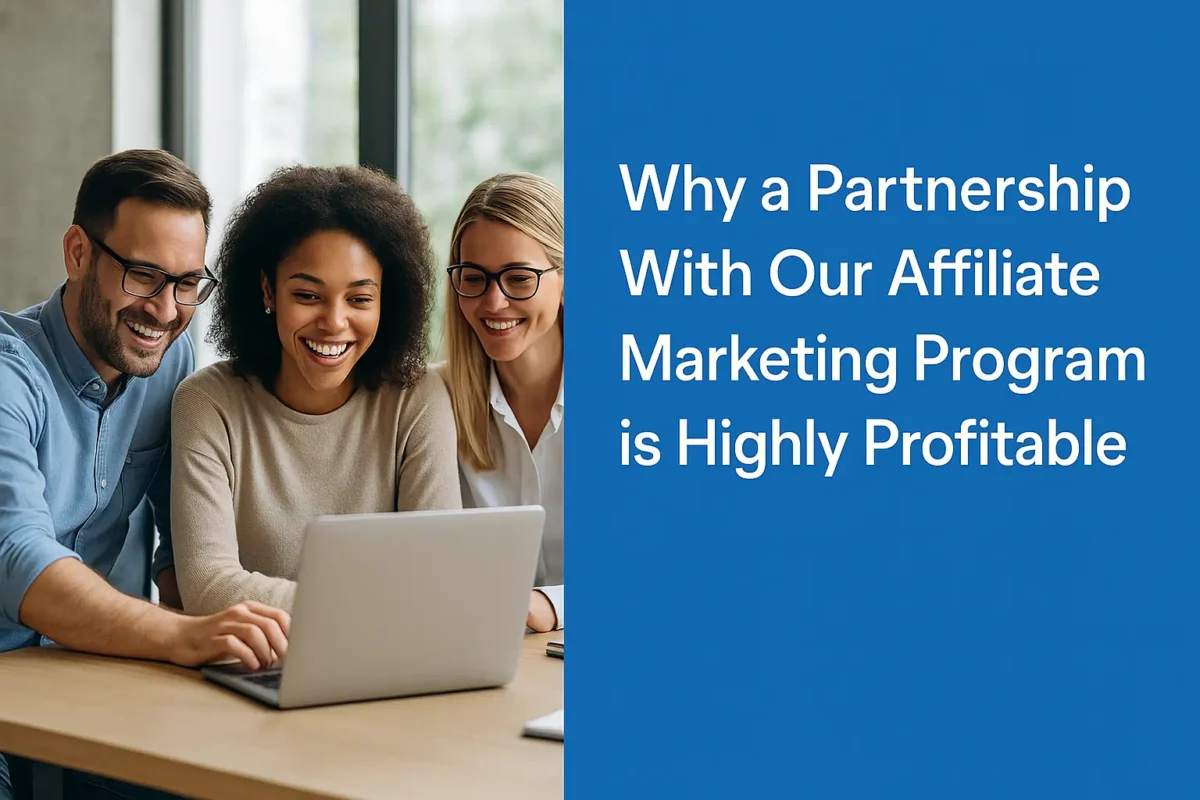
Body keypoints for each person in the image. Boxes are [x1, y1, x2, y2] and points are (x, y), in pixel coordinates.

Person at [0, 150, 290, 799]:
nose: (165, 310)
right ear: (78, 253)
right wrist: (186, 636)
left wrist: (225, 634)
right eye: (143, 275)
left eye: (187, 283)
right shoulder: (9, 376)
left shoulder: (167, 359)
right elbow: (20, 558)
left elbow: (178, 532)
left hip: (96, 683)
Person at [169, 165, 462, 616]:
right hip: (255, 665)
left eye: (360, 299)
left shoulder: (417, 398)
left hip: (391, 666)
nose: (334, 321)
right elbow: (207, 588)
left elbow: (440, 575)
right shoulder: (208, 404)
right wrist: (380, 606)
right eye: (308, 295)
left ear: (389, 300)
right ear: (268, 290)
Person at [437, 173, 564, 633]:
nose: (494, 301)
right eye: (474, 278)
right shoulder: (433, 403)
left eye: (518, 278)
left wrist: (553, 605)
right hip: (484, 659)